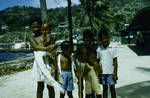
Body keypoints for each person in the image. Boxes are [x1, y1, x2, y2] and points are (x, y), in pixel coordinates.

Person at [28, 16, 64, 98]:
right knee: (40, 86)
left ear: (40, 26)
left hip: (48, 62)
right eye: (33, 27)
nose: (36, 29)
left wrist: (52, 48)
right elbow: (35, 47)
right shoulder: (31, 37)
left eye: (37, 26)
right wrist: (46, 49)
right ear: (31, 28)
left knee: (50, 86)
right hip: (38, 63)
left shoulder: (45, 35)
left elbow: (52, 45)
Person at [97, 27, 118, 98]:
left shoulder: (113, 48)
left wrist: (115, 74)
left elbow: (115, 62)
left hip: (111, 73)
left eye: (106, 38)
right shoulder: (99, 50)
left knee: (112, 89)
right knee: (105, 89)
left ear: (108, 38)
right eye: (102, 39)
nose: (104, 40)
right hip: (102, 73)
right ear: (100, 40)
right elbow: (98, 62)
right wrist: (98, 74)